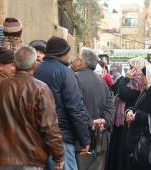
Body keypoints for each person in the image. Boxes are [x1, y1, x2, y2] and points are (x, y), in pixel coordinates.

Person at [0, 45, 64, 170]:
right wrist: (58, 155)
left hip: (3, 159)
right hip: (31, 159)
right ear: (34, 65)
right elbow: (49, 126)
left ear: (15, 64)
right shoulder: (41, 89)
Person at [34, 36, 90, 170]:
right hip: (61, 138)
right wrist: (84, 140)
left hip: (37, 137)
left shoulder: (35, 70)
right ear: (63, 54)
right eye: (68, 53)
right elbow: (76, 109)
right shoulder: (66, 73)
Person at [72, 48, 114, 170]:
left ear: (81, 61)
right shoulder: (103, 83)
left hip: (80, 140)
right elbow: (110, 108)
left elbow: (75, 107)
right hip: (100, 139)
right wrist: (103, 121)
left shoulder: (74, 79)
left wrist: (91, 122)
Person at [105, 57, 148, 170]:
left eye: (132, 68)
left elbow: (123, 93)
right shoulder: (131, 82)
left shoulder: (138, 84)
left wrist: (126, 78)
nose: (129, 71)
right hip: (121, 124)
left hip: (128, 124)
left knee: (123, 155)